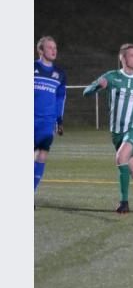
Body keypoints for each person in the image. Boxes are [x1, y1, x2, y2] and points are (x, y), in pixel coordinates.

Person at [83, 43, 133, 213]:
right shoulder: (111, 77)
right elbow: (86, 92)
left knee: (120, 158)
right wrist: (98, 86)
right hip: (116, 132)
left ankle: (124, 203)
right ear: (123, 58)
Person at [34, 36, 67, 192]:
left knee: (42, 155)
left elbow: (60, 98)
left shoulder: (59, 74)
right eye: (50, 47)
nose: (54, 50)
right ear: (40, 50)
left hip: (48, 122)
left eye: (55, 47)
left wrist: (59, 120)